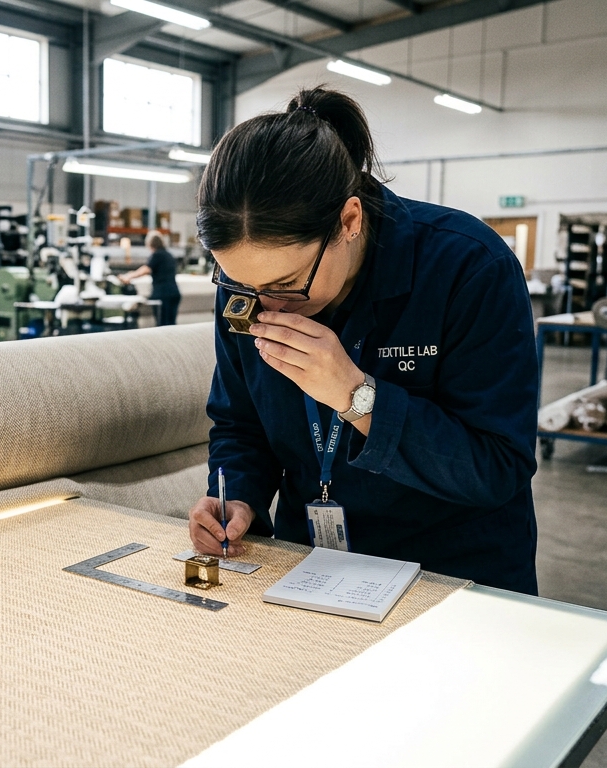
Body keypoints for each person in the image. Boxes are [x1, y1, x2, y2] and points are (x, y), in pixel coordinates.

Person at [188, 86, 539, 594]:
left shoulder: (467, 267)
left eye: (288, 286)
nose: (268, 306)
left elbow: (497, 467)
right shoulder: (248, 296)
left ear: (349, 221)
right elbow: (241, 424)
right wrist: (237, 496)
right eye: (242, 284)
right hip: (309, 570)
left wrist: (358, 397)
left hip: (451, 576)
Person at [121, 231, 182, 325]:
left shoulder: (157, 255)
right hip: (174, 293)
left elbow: (146, 269)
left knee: (162, 325)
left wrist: (128, 277)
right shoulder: (169, 255)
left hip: (163, 295)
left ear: (150, 244)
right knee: (171, 325)